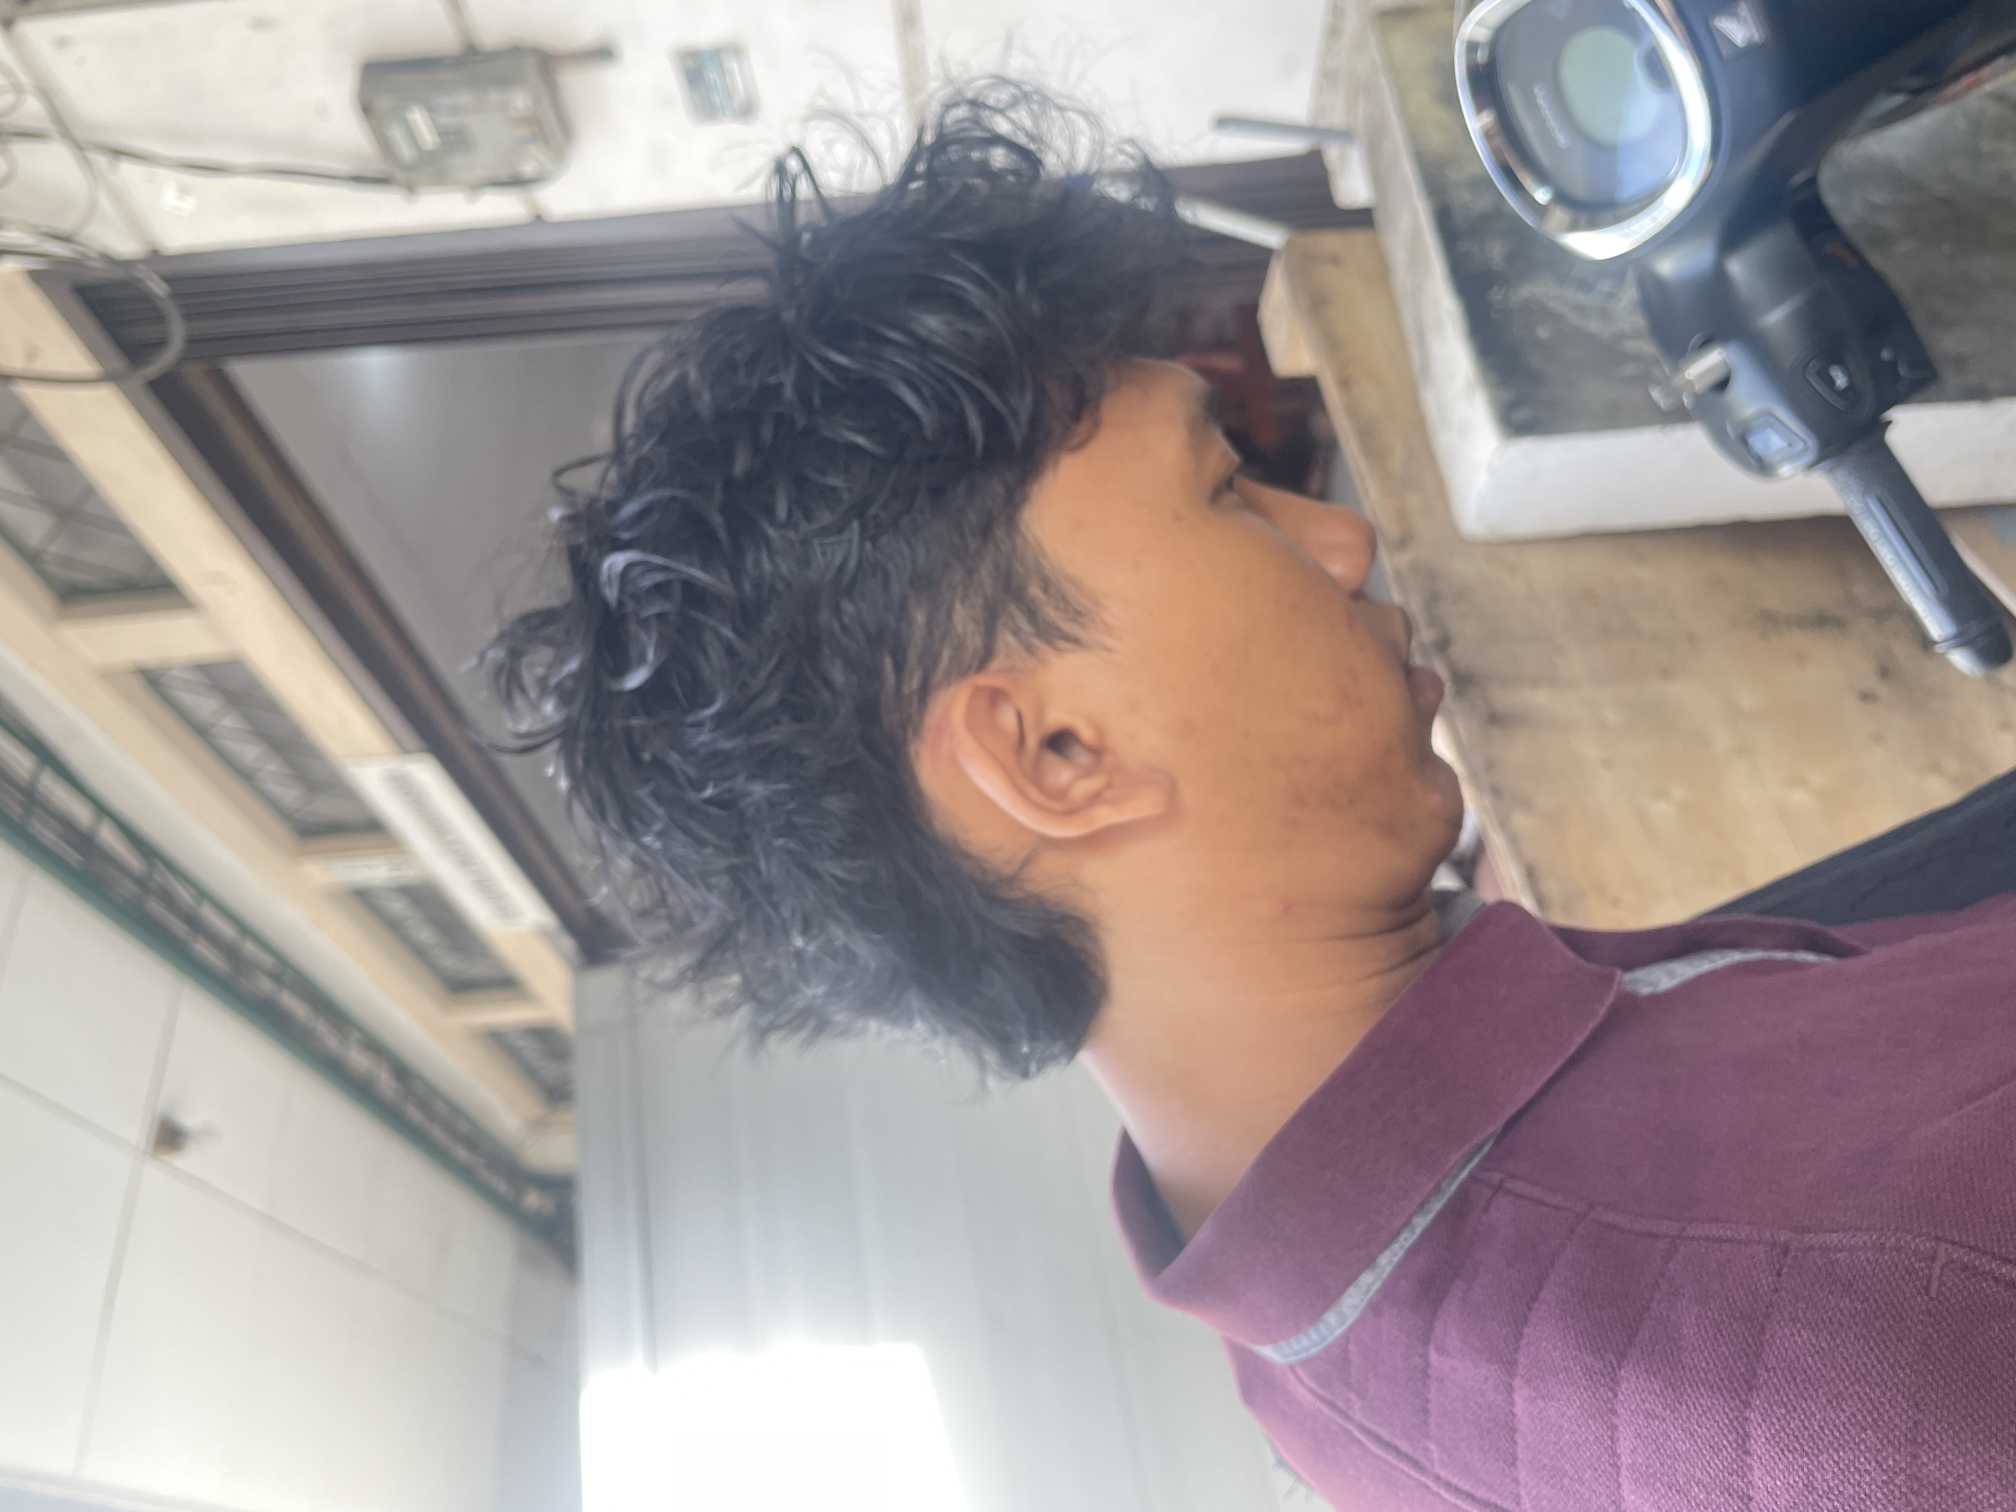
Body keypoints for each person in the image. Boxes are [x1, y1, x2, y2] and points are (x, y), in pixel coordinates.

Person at [489, 84, 2016, 1511]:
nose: (1341, 545)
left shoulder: (1318, 1337)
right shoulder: (1869, 1343)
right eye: (1227, 490)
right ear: (1055, 756)